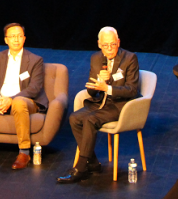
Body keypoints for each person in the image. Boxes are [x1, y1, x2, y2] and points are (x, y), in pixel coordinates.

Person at [57, 26, 139, 183]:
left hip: (120, 105)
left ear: (118, 42)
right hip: (99, 102)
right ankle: (93, 163)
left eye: (113, 44)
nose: (109, 49)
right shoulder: (96, 58)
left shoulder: (129, 58)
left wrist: (108, 87)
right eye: (105, 45)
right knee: (74, 118)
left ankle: (80, 168)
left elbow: (132, 90)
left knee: (90, 120)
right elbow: (91, 91)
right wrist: (98, 83)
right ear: (99, 45)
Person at [0, 22, 48, 170]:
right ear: (6, 40)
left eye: (19, 36)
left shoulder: (35, 60)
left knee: (18, 102)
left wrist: (10, 100)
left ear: (24, 38)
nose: (16, 39)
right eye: (12, 36)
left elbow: (34, 88)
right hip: (1, 99)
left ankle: (24, 152)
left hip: (25, 100)